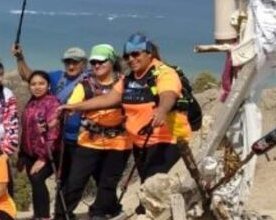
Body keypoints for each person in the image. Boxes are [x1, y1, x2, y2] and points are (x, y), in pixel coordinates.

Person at [61, 33, 191, 188]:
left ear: (149, 53)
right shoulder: (129, 79)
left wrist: (162, 110)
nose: (131, 59)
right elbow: (108, 99)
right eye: (127, 56)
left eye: (136, 54)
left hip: (167, 141)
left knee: (153, 186)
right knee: (147, 185)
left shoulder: (164, 72)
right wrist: (75, 107)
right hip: (141, 143)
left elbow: (169, 93)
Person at [59, 44, 132, 220]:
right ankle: (62, 216)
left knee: (108, 181)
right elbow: (73, 103)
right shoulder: (84, 86)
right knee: (75, 181)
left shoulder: (126, 83)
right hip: (89, 140)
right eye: (93, 62)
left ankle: (99, 211)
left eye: (101, 61)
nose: (96, 65)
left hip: (119, 141)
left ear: (112, 62)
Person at [12, 43, 88, 190]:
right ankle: (61, 213)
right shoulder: (57, 77)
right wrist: (20, 57)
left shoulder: (90, 80)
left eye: (75, 62)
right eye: (68, 62)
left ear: (84, 63)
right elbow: (30, 77)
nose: (71, 66)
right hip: (59, 140)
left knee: (75, 178)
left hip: (80, 139)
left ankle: (105, 207)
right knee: (64, 180)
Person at [18, 72, 62, 220]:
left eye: (41, 83)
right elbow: (26, 131)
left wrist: (43, 158)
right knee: (34, 182)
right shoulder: (31, 103)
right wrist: (22, 154)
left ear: (48, 85)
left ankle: (44, 218)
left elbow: (53, 133)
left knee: (37, 178)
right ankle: (37, 217)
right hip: (30, 153)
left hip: (49, 154)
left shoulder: (52, 103)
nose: (37, 87)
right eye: (33, 84)